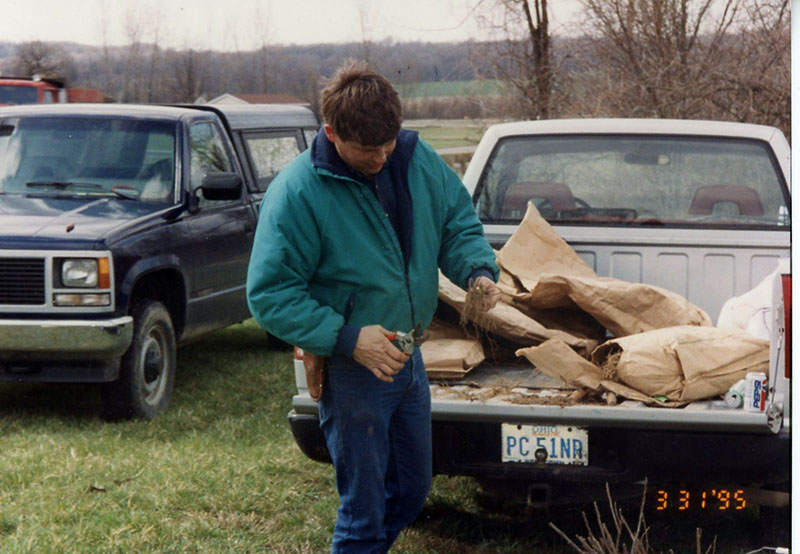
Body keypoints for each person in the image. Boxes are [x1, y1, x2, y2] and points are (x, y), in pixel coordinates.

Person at [246, 60, 500, 553]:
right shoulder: (298, 192)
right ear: (332, 133)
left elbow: (455, 222)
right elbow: (270, 293)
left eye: (389, 143)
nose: (382, 157)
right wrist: (346, 337)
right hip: (354, 368)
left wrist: (476, 269)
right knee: (362, 514)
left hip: (410, 354)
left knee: (411, 490)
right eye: (368, 149)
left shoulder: (413, 157)